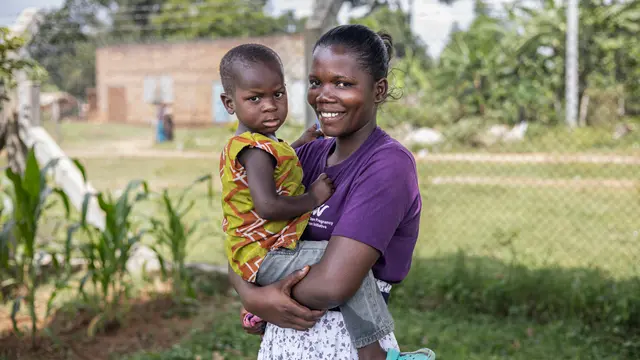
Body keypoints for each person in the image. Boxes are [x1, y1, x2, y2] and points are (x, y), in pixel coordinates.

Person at [227, 25, 435, 360]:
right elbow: (243, 237)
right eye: (316, 82)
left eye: (343, 83)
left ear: (378, 90)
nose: (323, 95)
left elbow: (335, 284)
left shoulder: (387, 166)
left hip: (345, 346)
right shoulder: (305, 157)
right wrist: (253, 297)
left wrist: (260, 296)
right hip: (283, 345)